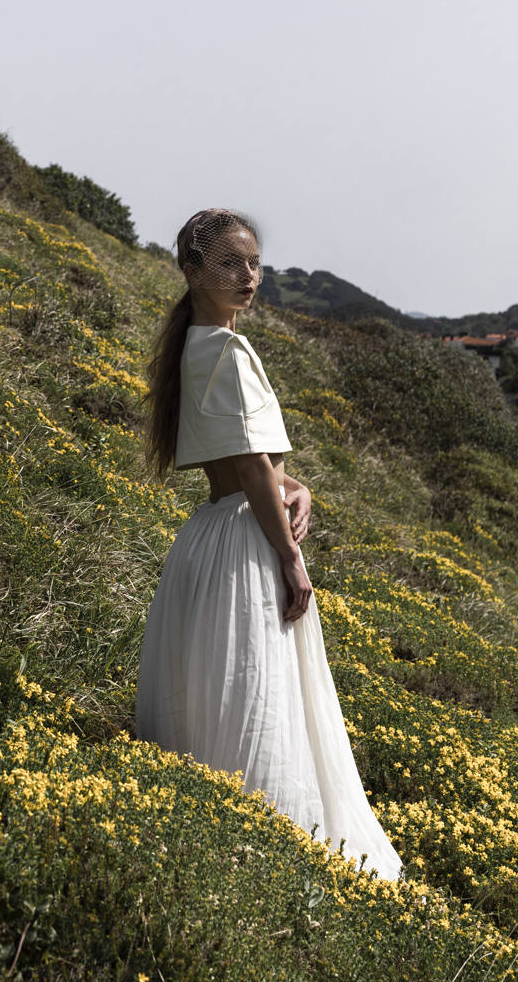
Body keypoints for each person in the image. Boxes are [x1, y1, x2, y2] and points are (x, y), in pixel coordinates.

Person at [135, 208, 403, 881]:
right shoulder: (224, 348)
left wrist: (297, 486)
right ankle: (266, 855)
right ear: (192, 272)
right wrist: (289, 556)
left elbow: (249, 459)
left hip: (213, 533)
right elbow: (253, 467)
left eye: (253, 263)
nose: (247, 275)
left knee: (225, 692)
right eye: (228, 263)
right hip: (245, 540)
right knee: (259, 692)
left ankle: (212, 840)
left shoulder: (198, 344)